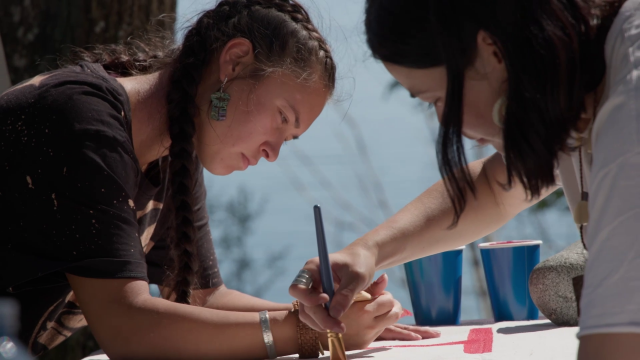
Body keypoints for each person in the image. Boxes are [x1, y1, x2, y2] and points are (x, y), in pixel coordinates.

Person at [0, 0, 439, 358]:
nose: (273, 152)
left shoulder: (172, 151)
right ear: (234, 61)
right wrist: (310, 336)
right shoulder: (84, 122)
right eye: (281, 118)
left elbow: (205, 299)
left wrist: (332, 319)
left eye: (290, 138)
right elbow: (127, 328)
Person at [291, 0, 640, 359]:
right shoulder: (575, 87)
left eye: (436, 99)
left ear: (492, 52)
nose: (446, 123)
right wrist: (365, 253)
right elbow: (494, 189)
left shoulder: (630, 109)